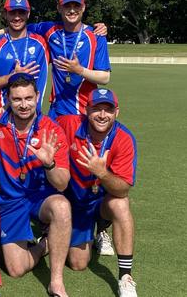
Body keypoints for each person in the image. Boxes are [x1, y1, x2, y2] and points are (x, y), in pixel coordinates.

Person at [0, 73, 72, 297]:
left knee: (62, 206)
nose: (24, 104)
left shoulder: (52, 130)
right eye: (17, 99)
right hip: (9, 199)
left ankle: (56, 283)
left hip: (40, 198)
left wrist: (50, 164)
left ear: (38, 96)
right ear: (7, 99)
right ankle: (44, 245)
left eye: (28, 98)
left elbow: (62, 182)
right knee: (16, 269)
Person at [57, 88, 138, 297]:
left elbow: (123, 188)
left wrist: (102, 173)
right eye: (96, 109)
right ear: (86, 109)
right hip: (75, 202)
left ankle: (125, 277)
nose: (102, 115)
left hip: (102, 200)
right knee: (77, 263)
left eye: (108, 110)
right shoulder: (68, 124)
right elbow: (40, 132)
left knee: (121, 203)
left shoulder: (124, 138)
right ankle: (74, 231)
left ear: (116, 112)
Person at [0, 0, 110, 118]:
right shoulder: (50, 30)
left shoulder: (96, 36)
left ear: (83, 8)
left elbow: (104, 77)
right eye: (67, 6)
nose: (72, 10)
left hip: (84, 111)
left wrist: (79, 70)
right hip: (56, 111)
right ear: (59, 8)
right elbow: (19, 25)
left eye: (76, 6)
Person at [0, 0, 48, 114]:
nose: (17, 17)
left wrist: (89, 28)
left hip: (33, 118)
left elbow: (67, 28)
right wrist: (13, 76)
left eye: (21, 12)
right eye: (12, 13)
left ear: (28, 14)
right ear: (5, 14)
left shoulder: (42, 43)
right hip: (0, 115)